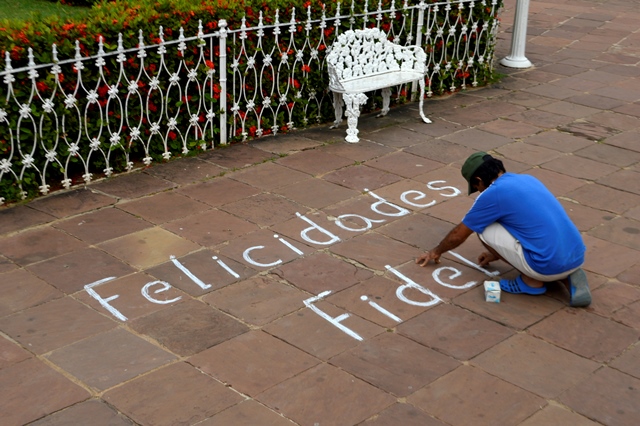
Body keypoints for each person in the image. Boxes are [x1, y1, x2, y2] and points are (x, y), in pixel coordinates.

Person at [416, 151, 591, 307]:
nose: (478, 191)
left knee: (482, 227)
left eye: (476, 188)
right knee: (524, 223)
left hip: (544, 265)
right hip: (577, 255)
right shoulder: (528, 179)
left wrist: (436, 251)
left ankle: (531, 281)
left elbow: (459, 235)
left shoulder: (493, 193)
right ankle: (566, 276)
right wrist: (497, 253)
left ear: (478, 180)